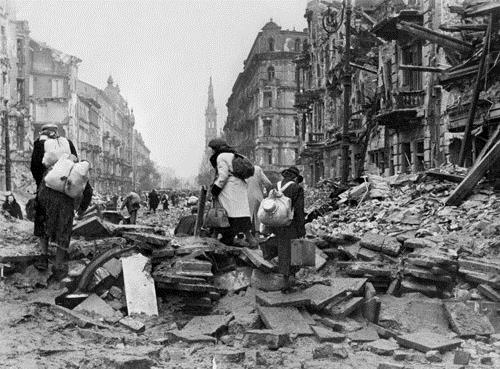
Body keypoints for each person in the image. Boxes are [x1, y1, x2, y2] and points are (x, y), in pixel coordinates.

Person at [30, 123, 92, 277]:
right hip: (66, 192)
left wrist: (42, 182)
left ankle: (43, 258)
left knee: (43, 223)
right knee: (64, 226)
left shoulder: (40, 144)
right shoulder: (68, 143)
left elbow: (34, 167)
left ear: (43, 132)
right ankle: (59, 265)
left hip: (46, 189)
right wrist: (82, 204)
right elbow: (77, 168)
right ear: (57, 132)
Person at [262, 166, 305, 292]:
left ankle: (288, 279)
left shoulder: (274, 187)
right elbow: (299, 210)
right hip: (290, 224)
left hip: (276, 224)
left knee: (283, 250)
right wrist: (301, 229)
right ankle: (287, 283)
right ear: (296, 177)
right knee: (292, 251)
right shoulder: (297, 188)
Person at [208, 138, 257, 247]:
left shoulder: (221, 157)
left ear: (216, 149)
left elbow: (223, 176)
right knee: (241, 213)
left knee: (225, 214)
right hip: (240, 186)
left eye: (212, 149)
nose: (211, 152)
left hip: (229, 187)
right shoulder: (235, 155)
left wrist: (215, 190)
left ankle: (220, 239)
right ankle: (251, 240)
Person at [246, 165, 272, 235]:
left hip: (244, 198)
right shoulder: (257, 169)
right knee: (258, 217)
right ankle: (258, 234)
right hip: (258, 196)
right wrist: (268, 196)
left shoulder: (238, 170)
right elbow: (268, 184)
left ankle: (248, 235)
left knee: (247, 217)